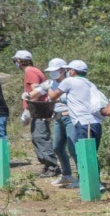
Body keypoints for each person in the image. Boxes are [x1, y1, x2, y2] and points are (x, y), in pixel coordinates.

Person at [47, 59, 104, 187]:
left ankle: (89, 182)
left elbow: (53, 96)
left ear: (72, 71)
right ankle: (95, 182)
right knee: (91, 154)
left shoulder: (69, 81)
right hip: (95, 122)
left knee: (82, 153)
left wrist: (48, 86)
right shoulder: (90, 83)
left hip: (82, 122)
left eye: (68, 70)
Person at [13, 50, 60, 177]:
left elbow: (36, 92)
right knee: (37, 137)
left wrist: (28, 110)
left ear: (19, 61)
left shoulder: (30, 72)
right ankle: (47, 164)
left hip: (39, 110)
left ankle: (52, 166)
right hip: (38, 110)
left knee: (40, 137)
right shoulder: (33, 71)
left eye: (15, 60)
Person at [33, 58, 78, 188]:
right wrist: (27, 96)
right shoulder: (50, 83)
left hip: (70, 117)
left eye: (56, 70)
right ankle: (67, 175)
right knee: (57, 147)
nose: (53, 73)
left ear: (63, 70)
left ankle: (82, 177)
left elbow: (59, 97)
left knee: (73, 148)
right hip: (58, 118)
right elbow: (36, 92)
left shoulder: (71, 82)